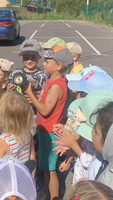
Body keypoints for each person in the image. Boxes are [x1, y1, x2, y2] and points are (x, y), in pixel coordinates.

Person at [23, 48, 73, 200]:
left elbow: (45, 111)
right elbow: (46, 103)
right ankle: (46, 191)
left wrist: (30, 93)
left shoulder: (57, 85)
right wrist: (37, 98)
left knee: (51, 170)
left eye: (47, 61)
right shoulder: (51, 80)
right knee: (45, 166)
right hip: (45, 129)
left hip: (51, 132)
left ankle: (54, 197)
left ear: (59, 66)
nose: (43, 64)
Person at [54, 90, 113, 183]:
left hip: (88, 179)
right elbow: (80, 140)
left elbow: (88, 162)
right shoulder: (97, 137)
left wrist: (73, 144)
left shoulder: (101, 146)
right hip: (80, 173)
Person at [0, 91, 36, 178]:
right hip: (25, 179)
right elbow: (32, 159)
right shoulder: (28, 134)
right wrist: (32, 179)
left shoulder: (2, 141)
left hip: (9, 185)